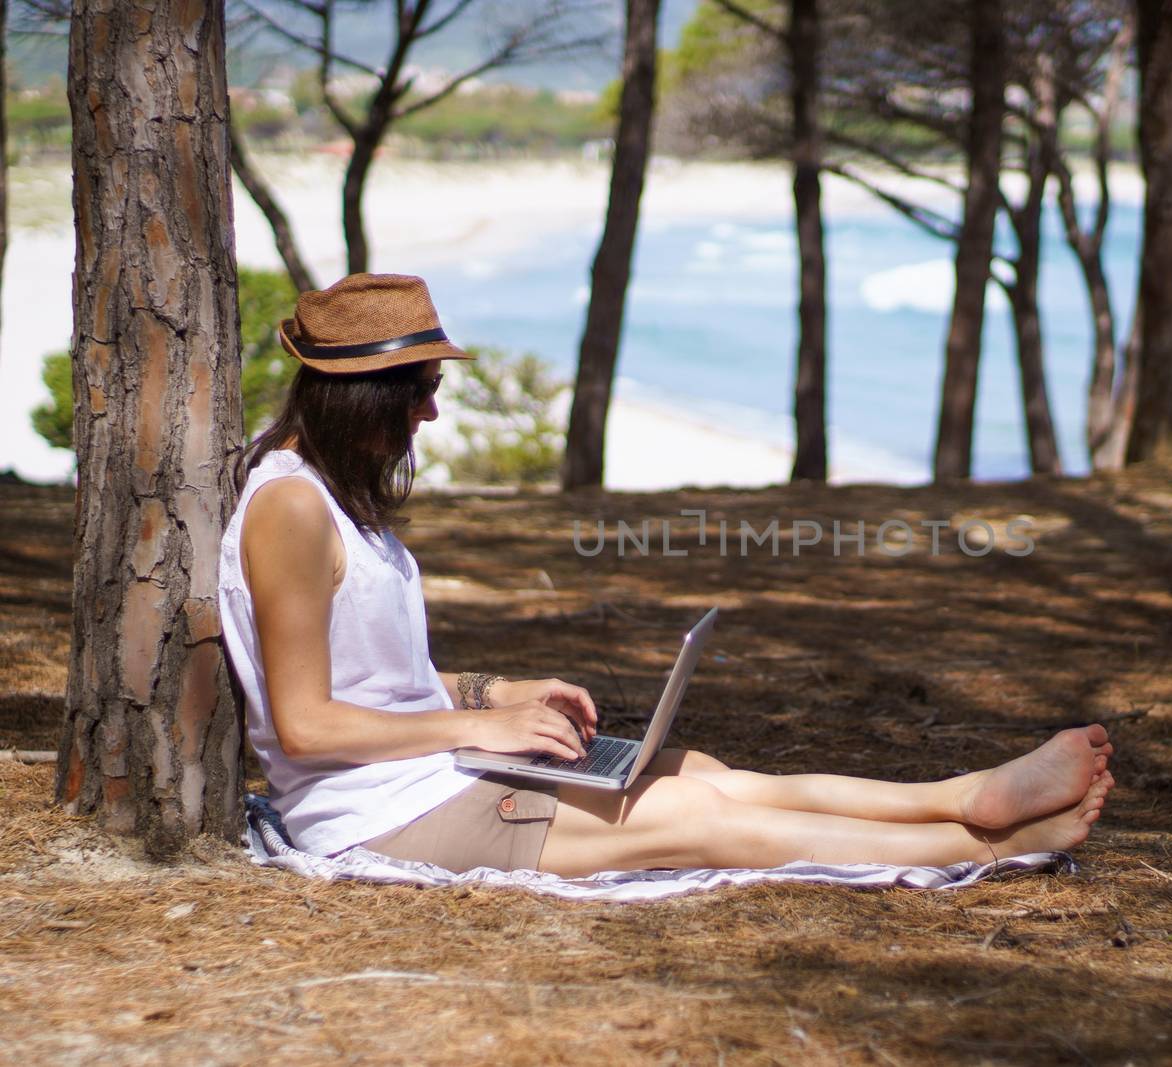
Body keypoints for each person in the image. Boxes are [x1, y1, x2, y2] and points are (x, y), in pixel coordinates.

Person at [219, 273, 1116, 878]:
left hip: (432, 769)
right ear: (358, 392)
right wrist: (482, 729)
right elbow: (304, 723)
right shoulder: (291, 508)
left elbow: (375, 681)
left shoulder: (339, 499)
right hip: (378, 812)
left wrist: (503, 692)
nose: (431, 408)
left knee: (703, 770)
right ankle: (981, 848)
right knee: (692, 814)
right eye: (414, 389)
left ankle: (967, 797)